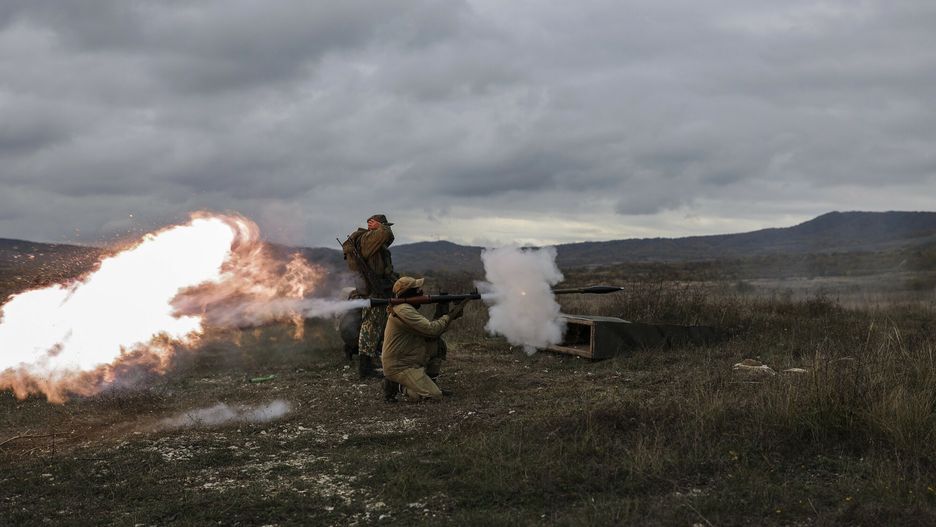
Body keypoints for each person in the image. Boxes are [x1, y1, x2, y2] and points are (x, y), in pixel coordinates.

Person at [381, 276, 468, 403]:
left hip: (408, 358)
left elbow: (430, 334)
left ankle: (428, 383)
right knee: (434, 396)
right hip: (400, 365)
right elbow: (432, 329)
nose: (421, 293)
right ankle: (397, 384)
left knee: (437, 344)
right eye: (417, 290)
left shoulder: (405, 307)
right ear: (409, 294)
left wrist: (443, 311)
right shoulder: (403, 310)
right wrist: (451, 314)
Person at [344, 214, 398, 377]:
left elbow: (387, 238)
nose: (386, 228)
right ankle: (365, 367)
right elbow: (386, 234)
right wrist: (379, 226)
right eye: (384, 225)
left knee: (374, 325)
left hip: (374, 288)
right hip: (372, 291)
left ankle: (369, 361)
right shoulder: (367, 238)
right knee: (371, 325)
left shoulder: (369, 239)